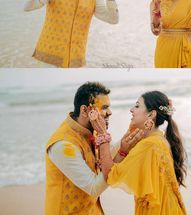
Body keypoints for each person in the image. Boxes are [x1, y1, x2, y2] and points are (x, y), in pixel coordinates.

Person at [45, 82, 143, 215]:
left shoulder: (92, 128)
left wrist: (132, 132)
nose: (110, 112)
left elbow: (108, 153)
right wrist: (108, 140)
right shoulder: (63, 145)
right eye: (104, 107)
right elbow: (93, 188)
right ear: (85, 110)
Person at [90, 91, 187, 215]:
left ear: (151, 114)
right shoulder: (158, 139)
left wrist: (103, 134)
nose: (131, 110)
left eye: (137, 106)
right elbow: (116, 166)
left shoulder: (149, 145)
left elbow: (110, 174)